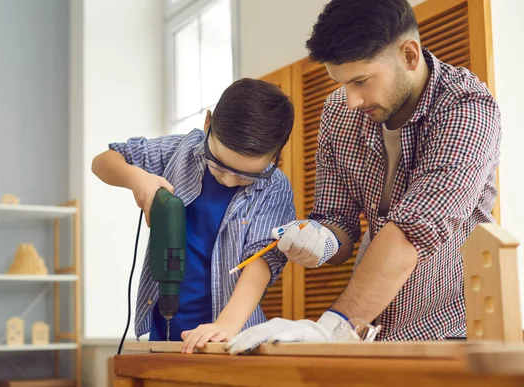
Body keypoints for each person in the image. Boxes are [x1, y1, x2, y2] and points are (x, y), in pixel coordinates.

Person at [226, 0, 501, 354]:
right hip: (368, 335)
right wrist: (320, 240)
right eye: (342, 84)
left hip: (450, 332)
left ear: (409, 55)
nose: (351, 100)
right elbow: (337, 222)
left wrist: (334, 327)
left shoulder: (467, 109)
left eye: (361, 81)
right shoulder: (339, 112)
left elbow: (413, 231)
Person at [91, 78, 296, 353]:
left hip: (231, 338)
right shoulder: (181, 151)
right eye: (219, 164)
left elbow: (261, 261)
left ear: (275, 156)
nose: (228, 180)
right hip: (163, 330)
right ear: (207, 124)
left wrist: (226, 325)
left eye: (246, 175)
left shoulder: (275, 188)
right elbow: (103, 162)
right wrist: (136, 179)